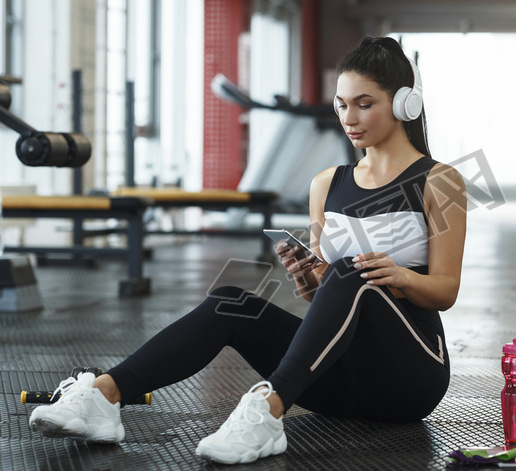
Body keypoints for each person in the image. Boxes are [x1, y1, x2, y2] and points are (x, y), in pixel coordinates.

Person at [28, 36, 467, 465]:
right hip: (337, 382)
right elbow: (325, 304)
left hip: (409, 378)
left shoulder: (439, 180)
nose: (348, 117)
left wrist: (400, 275)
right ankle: (105, 396)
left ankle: (268, 410)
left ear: (405, 103)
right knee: (229, 302)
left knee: (350, 271)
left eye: (364, 103)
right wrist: (308, 278)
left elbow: (446, 290)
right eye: (341, 104)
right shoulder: (326, 183)